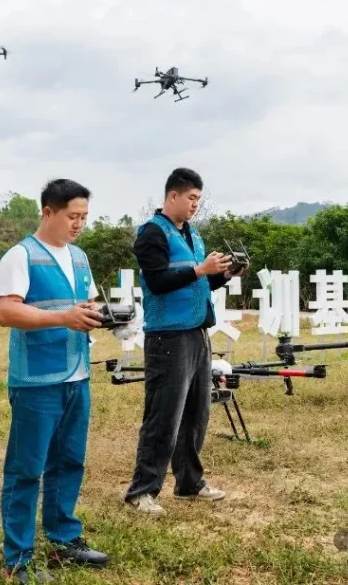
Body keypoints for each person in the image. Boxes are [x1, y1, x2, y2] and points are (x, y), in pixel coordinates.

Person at [0, 178, 110, 583]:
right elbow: (7, 313)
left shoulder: (79, 257)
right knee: (27, 469)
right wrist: (63, 317)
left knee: (69, 461)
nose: (78, 224)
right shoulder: (20, 256)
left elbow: (87, 304)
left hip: (77, 375)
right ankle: (18, 558)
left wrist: (107, 317)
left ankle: (64, 537)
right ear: (48, 212)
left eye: (84, 217)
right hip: (37, 380)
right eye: (72, 216)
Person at [123, 167, 247, 516]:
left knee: (196, 412)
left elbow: (200, 284)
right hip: (168, 336)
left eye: (198, 199)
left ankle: (189, 482)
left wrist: (223, 274)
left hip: (197, 332)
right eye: (191, 198)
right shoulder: (151, 234)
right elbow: (159, 281)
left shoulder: (194, 236)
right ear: (172, 196)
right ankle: (142, 490)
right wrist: (200, 270)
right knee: (164, 414)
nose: (195, 205)